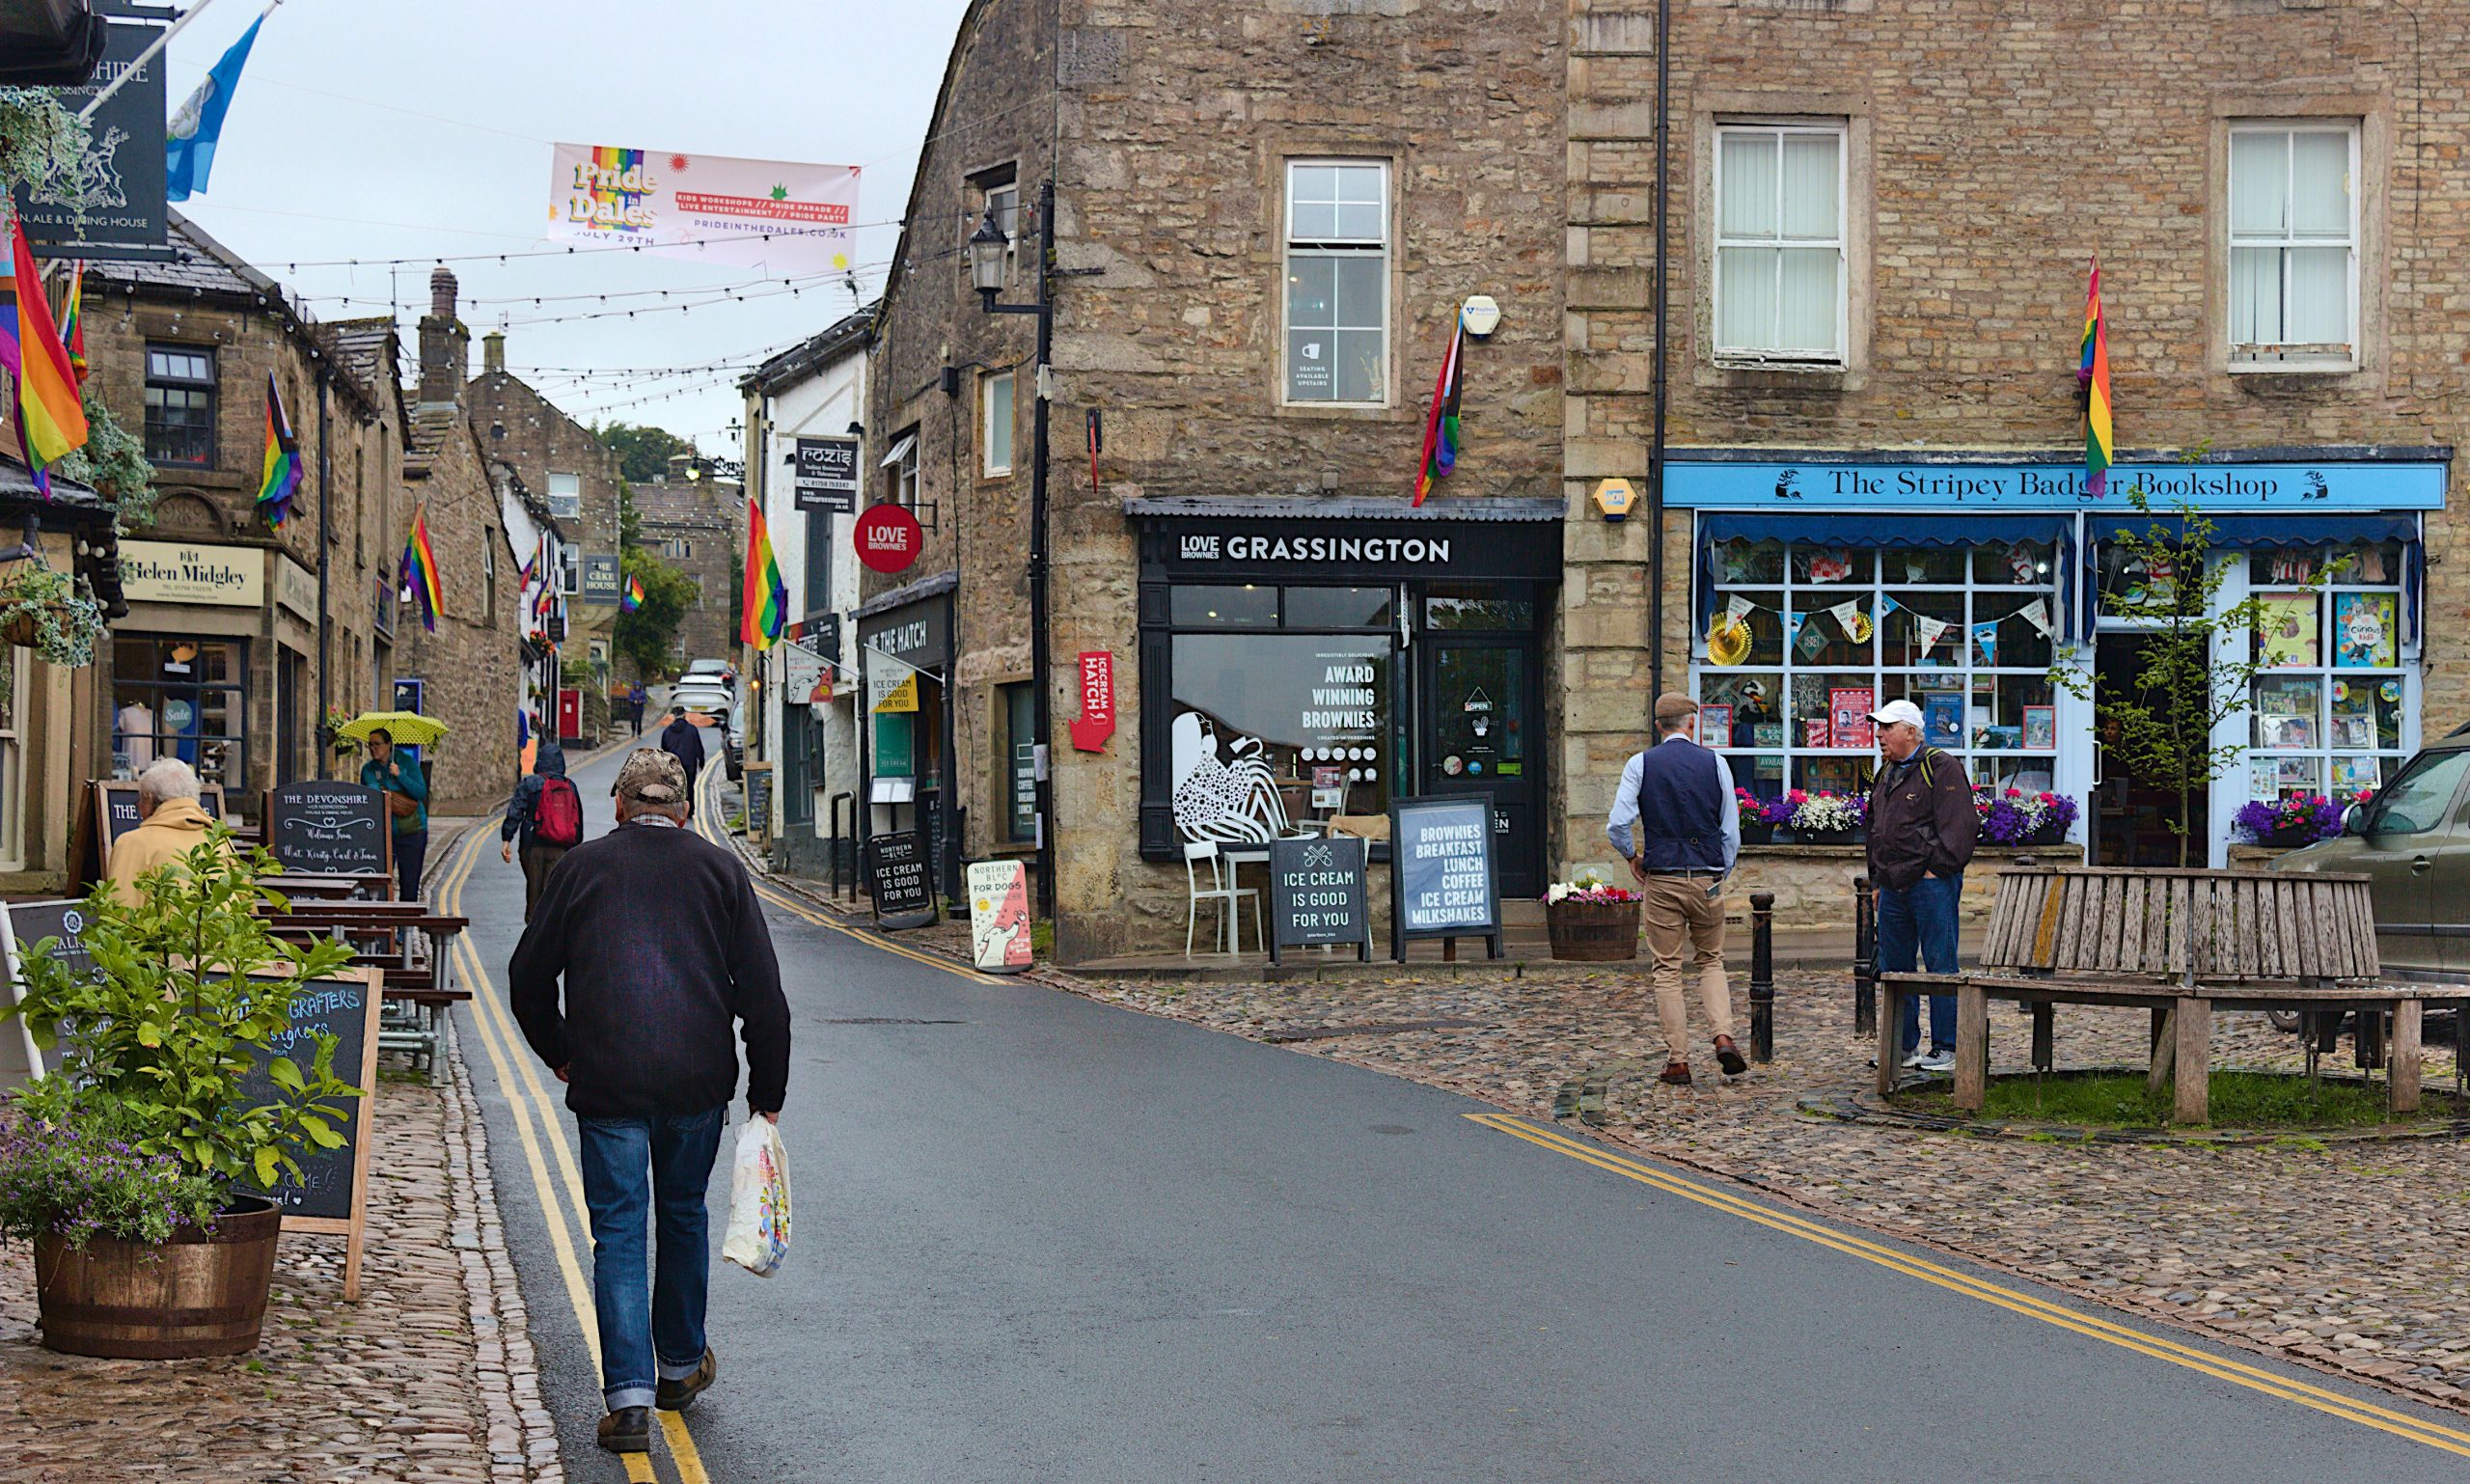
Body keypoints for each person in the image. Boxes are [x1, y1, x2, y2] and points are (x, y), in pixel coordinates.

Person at [508, 749, 789, 1455]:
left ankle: (629, 1403)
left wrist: (561, 1051)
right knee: (684, 1214)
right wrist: (767, 1095)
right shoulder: (720, 871)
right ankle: (680, 1366)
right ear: (685, 810)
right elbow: (765, 997)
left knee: (620, 1233)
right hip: (697, 1081)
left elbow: (527, 977)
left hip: (608, 1080)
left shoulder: (580, 870)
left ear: (619, 806)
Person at [1607, 693, 1747, 1087]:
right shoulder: (1715, 763)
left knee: (1667, 969)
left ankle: (1679, 1061)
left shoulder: (1641, 764)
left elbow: (1617, 824)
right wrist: (1720, 872)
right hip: (1707, 876)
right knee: (1711, 960)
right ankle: (1722, 1035)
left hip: (1663, 877)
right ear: (1691, 723)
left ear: (1658, 726)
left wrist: (1631, 857)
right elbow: (1730, 831)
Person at [1865, 698, 1981, 1075]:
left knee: (1939, 964)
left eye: (1888, 727)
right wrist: (1877, 879)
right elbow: (1876, 829)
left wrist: (1938, 869)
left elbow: (1962, 824)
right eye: (1879, 727)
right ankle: (1903, 1045)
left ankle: (1947, 1046)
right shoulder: (1886, 772)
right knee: (1896, 968)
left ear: (1911, 732)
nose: (1880, 735)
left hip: (1931, 883)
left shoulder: (1941, 766)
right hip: (1893, 884)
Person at [107, 757, 231, 898]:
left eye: (140, 801)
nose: (139, 809)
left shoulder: (133, 843)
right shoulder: (218, 840)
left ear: (149, 798)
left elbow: (120, 906)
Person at [501, 738, 581, 921]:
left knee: (534, 892)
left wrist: (507, 839)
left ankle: (532, 927)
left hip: (532, 847)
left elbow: (516, 811)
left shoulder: (530, 783)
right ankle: (549, 929)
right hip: (560, 849)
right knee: (552, 894)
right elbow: (577, 821)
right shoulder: (569, 786)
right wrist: (575, 851)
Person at [361, 728, 429, 901]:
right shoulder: (368, 769)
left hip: (412, 831)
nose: (373, 748)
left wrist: (400, 776)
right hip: (384, 835)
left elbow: (420, 792)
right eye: (370, 744)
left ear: (388, 744)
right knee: (381, 885)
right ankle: (385, 919)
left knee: (409, 884)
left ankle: (406, 919)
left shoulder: (406, 763)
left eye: (377, 744)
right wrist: (392, 790)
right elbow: (373, 794)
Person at [658, 704, 706, 783]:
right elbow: (698, 747)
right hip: (689, 764)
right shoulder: (692, 729)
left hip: (674, 765)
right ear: (684, 714)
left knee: (676, 788)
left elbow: (663, 752)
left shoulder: (667, 731)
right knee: (689, 787)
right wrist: (701, 762)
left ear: (674, 716)